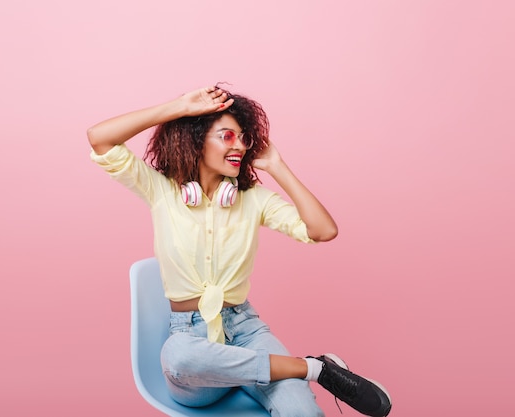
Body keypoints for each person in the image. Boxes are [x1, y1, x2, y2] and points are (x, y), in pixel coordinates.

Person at [87, 85, 392, 417]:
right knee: (179, 357)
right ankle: (312, 368)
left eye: (244, 138)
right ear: (196, 138)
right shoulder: (162, 191)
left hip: (245, 331)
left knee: (302, 413)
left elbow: (324, 230)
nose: (240, 146)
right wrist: (178, 107)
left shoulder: (253, 200)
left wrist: (278, 166)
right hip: (192, 342)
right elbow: (99, 137)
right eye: (227, 136)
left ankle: (285, 370)